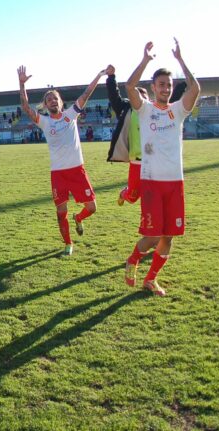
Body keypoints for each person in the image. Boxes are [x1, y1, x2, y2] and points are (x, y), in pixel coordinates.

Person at [123, 39, 200, 296]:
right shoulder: (145, 110)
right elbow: (130, 86)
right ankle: (133, 259)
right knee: (153, 236)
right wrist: (145, 60)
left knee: (169, 237)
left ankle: (150, 279)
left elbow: (196, 88)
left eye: (169, 84)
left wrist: (180, 59)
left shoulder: (178, 110)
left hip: (175, 183)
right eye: (161, 84)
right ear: (154, 87)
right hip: (152, 182)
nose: (165, 88)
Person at [18, 65, 104, 256]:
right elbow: (25, 107)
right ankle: (68, 243)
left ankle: (79, 218)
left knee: (92, 207)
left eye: (54, 98)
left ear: (61, 102)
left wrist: (98, 75)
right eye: (48, 100)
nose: (52, 101)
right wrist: (22, 84)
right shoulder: (45, 122)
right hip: (58, 174)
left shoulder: (70, 115)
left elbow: (87, 93)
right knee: (60, 212)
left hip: (77, 171)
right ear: (46, 105)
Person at [107, 65, 186, 206]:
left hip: (155, 161)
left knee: (153, 199)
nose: (142, 99)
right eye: (138, 96)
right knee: (131, 198)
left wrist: (184, 84)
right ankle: (124, 193)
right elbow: (114, 97)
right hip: (137, 162)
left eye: (145, 97)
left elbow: (172, 99)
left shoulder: (156, 111)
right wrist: (111, 78)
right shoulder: (127, 110)